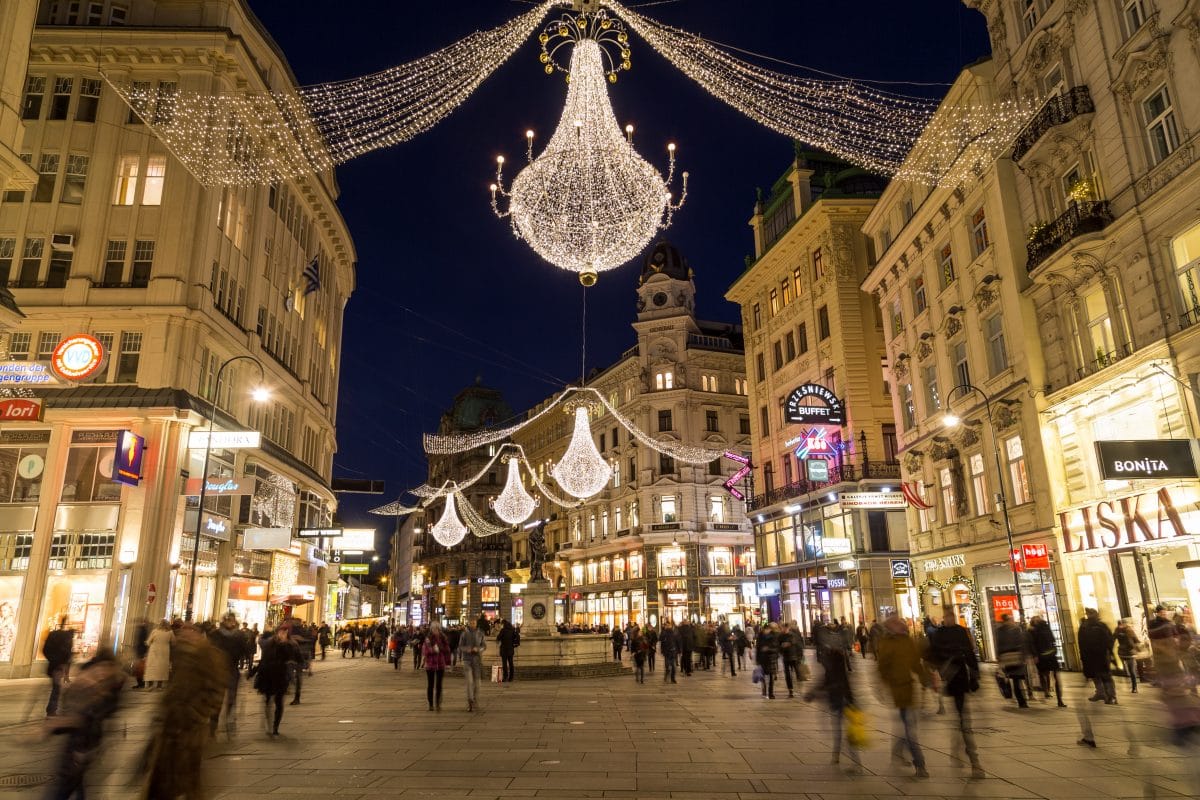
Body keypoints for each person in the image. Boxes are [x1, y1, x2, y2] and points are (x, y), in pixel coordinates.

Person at [139, 624, 226, 798]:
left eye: (187, 632)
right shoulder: (182, 653)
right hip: (170, 725)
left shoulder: (210, 656)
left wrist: (198, 714)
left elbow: (217, 691)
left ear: (198, 634)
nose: (183, 636)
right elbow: (175, 687)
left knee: (188, 777)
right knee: (161, 778)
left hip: (191, 728)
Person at [44, 646, 126, 799]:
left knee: (69, 784)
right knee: (69, 785)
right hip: (81, 744)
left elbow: (89, 717)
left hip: (82, 744)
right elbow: (86, 717)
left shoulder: (102, 684)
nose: (101, 674)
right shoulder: (100, 684)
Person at [927, 607, 984, 779]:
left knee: (962, 718)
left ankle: (967, 755)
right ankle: (966, 756)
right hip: (950, 679)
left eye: (951, 616)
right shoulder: (940, 634)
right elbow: (933, 655)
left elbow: (970, 654)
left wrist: (975, 675)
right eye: (947, 616)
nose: (949, 619)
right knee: (961, 719)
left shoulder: (960, 631)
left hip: (960, 678)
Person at [876, 614, 929, 779]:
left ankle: (897, 754)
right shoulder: (886, 643)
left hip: (909, 689)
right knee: (909, 730)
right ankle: (920, 764)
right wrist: (883, 685)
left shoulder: (907, 641)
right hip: (898, 690)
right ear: (891, 627)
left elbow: (915, 663)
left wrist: (925, 681)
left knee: (907, 728)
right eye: (896, 623)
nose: (901, 625)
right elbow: (882, 667)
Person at [812, 634, 860, 772]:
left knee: (841, 730)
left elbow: (829, 681)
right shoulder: (840, 660)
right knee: (841, 730)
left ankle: (849, 760)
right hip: (844, 699)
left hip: (840, 699)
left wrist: (815, 692)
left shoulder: (833, 661)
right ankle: (839, 756)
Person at [253, 625, 300, 736]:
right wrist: (253, 671)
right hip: (268, 675)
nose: (283, 634)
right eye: (281, 632)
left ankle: (275, 727)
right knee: (268, 700)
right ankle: (268, 724)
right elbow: (263, 658)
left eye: (285, 632)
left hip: (281, 676)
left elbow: (295, 658)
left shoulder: (290, 644)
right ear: (277, 632)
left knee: (279, 702)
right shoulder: (270, 643)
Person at [208, 613, 245, 737]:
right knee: (216, 698)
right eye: (228, 620)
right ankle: (213, 723)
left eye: (232, 620)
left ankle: (228, 718)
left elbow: (243, 650)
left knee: (231, 698)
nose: (230, 622)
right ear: (224, 621)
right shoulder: (215, 634)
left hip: (232, 669)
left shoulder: (239, 636)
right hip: (218, 669)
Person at [1078, 608, 1117, 704]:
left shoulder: (1095, 626)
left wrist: (1108, 651)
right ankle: (1102, 693)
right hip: (1094, 655)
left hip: (1099, 655)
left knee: (1103, 675)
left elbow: (1109, 640)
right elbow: (1081, 642)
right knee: (1097, 675)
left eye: (1089, 613)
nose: (1088, 615)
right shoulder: (1086, 626)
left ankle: (1110, 695)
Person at [1027, 614, 1066, 707]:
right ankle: (1058, 699)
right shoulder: (1045, 627)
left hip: (1042, 655)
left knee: (1045, 674)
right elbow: (1052, 640)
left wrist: (1035, 655)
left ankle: (1048, 692)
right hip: (1049, 654)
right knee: (1054, 676)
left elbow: (1032, 644)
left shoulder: (1033, 630)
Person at [993, 613, 1029, 708]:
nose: (1012, 621)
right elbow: (1021, 642)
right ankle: (1022, 700)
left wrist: (999, 657)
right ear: (1007, 620)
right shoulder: (1016, 629)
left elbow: (999, 645)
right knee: (1017, 679)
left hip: (1007, 658)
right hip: (1015, 657)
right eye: (1011, 619)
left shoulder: (999, 631)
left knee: (1013, 679)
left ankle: (1020, 699)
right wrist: (1023, 655)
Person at [43, 617, 75, 717]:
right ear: (67, 623)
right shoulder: (67, 637)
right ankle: (52, 710)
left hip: (52, 665)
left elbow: (45, 650)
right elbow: (68, 654)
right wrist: (65, 669)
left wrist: (52, 659)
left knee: (56, 687)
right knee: (57, 688)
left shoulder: (52, 634)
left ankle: (52, 709)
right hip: (59, 666)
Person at [458, 617, 486, 712]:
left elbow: (484, 646)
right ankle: (470, 701)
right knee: (469, 682)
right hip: (467, 660)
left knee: (478, 684)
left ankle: (475, 700)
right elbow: (460, 646)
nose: (473, 624)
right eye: (471, 623)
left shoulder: (480, 633)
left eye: (474, 623)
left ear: (476, 623)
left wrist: (478, 649)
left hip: (477, 661)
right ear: (469, 623)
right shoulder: (464, 634)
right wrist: (467, 649)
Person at [423, 622, 451, 711]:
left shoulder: (443, 638)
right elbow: (425, 651)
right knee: (430, 685)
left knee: (439, 685)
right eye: (433, 629)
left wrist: (448, 663)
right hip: (430, 664)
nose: (435, 630)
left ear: (439, 629)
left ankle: (438, 703)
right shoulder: (428, 639)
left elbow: (447, 651)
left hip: (440, 664)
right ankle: (431, 704)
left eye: (437, 629)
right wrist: (433, 650)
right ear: (431, 629)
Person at [1115, 618, 1142, 694]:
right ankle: (1132, 686)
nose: (1124, 625)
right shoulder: (1121, 631)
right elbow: (1136, 641)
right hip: (1125, 653)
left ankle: (1134, 687)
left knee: (1131, 671)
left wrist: (1138, 649)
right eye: (1123, 623)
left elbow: (1136, 641)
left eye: (1125, 623)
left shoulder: (1126, 631)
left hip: (1127, 653)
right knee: (1128, 670)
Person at [779, 621, 805, 697]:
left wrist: (800, 656)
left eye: (786, 628)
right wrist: (782, 647)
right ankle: (790, 690)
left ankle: (799, 688)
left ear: (788, 628)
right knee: (787, 675)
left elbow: (798, 645)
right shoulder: (781, 636)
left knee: (798, 673)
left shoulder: (793, 635)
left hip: (794, 657)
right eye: (783, 628)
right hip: (786, 657)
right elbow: (779, 646)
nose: (784, 629)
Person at [755, 622, 779, 700]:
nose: (766, 631)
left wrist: (768, 649)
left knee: (771, 676)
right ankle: (764, 690)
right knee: (762, 676)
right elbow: (758, 648)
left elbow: (776, 648)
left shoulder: (774, 636)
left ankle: (771, 693)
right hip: (762, 659)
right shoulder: (760, 636)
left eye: (767, 629)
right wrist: (757, 660)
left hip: (771, 658)